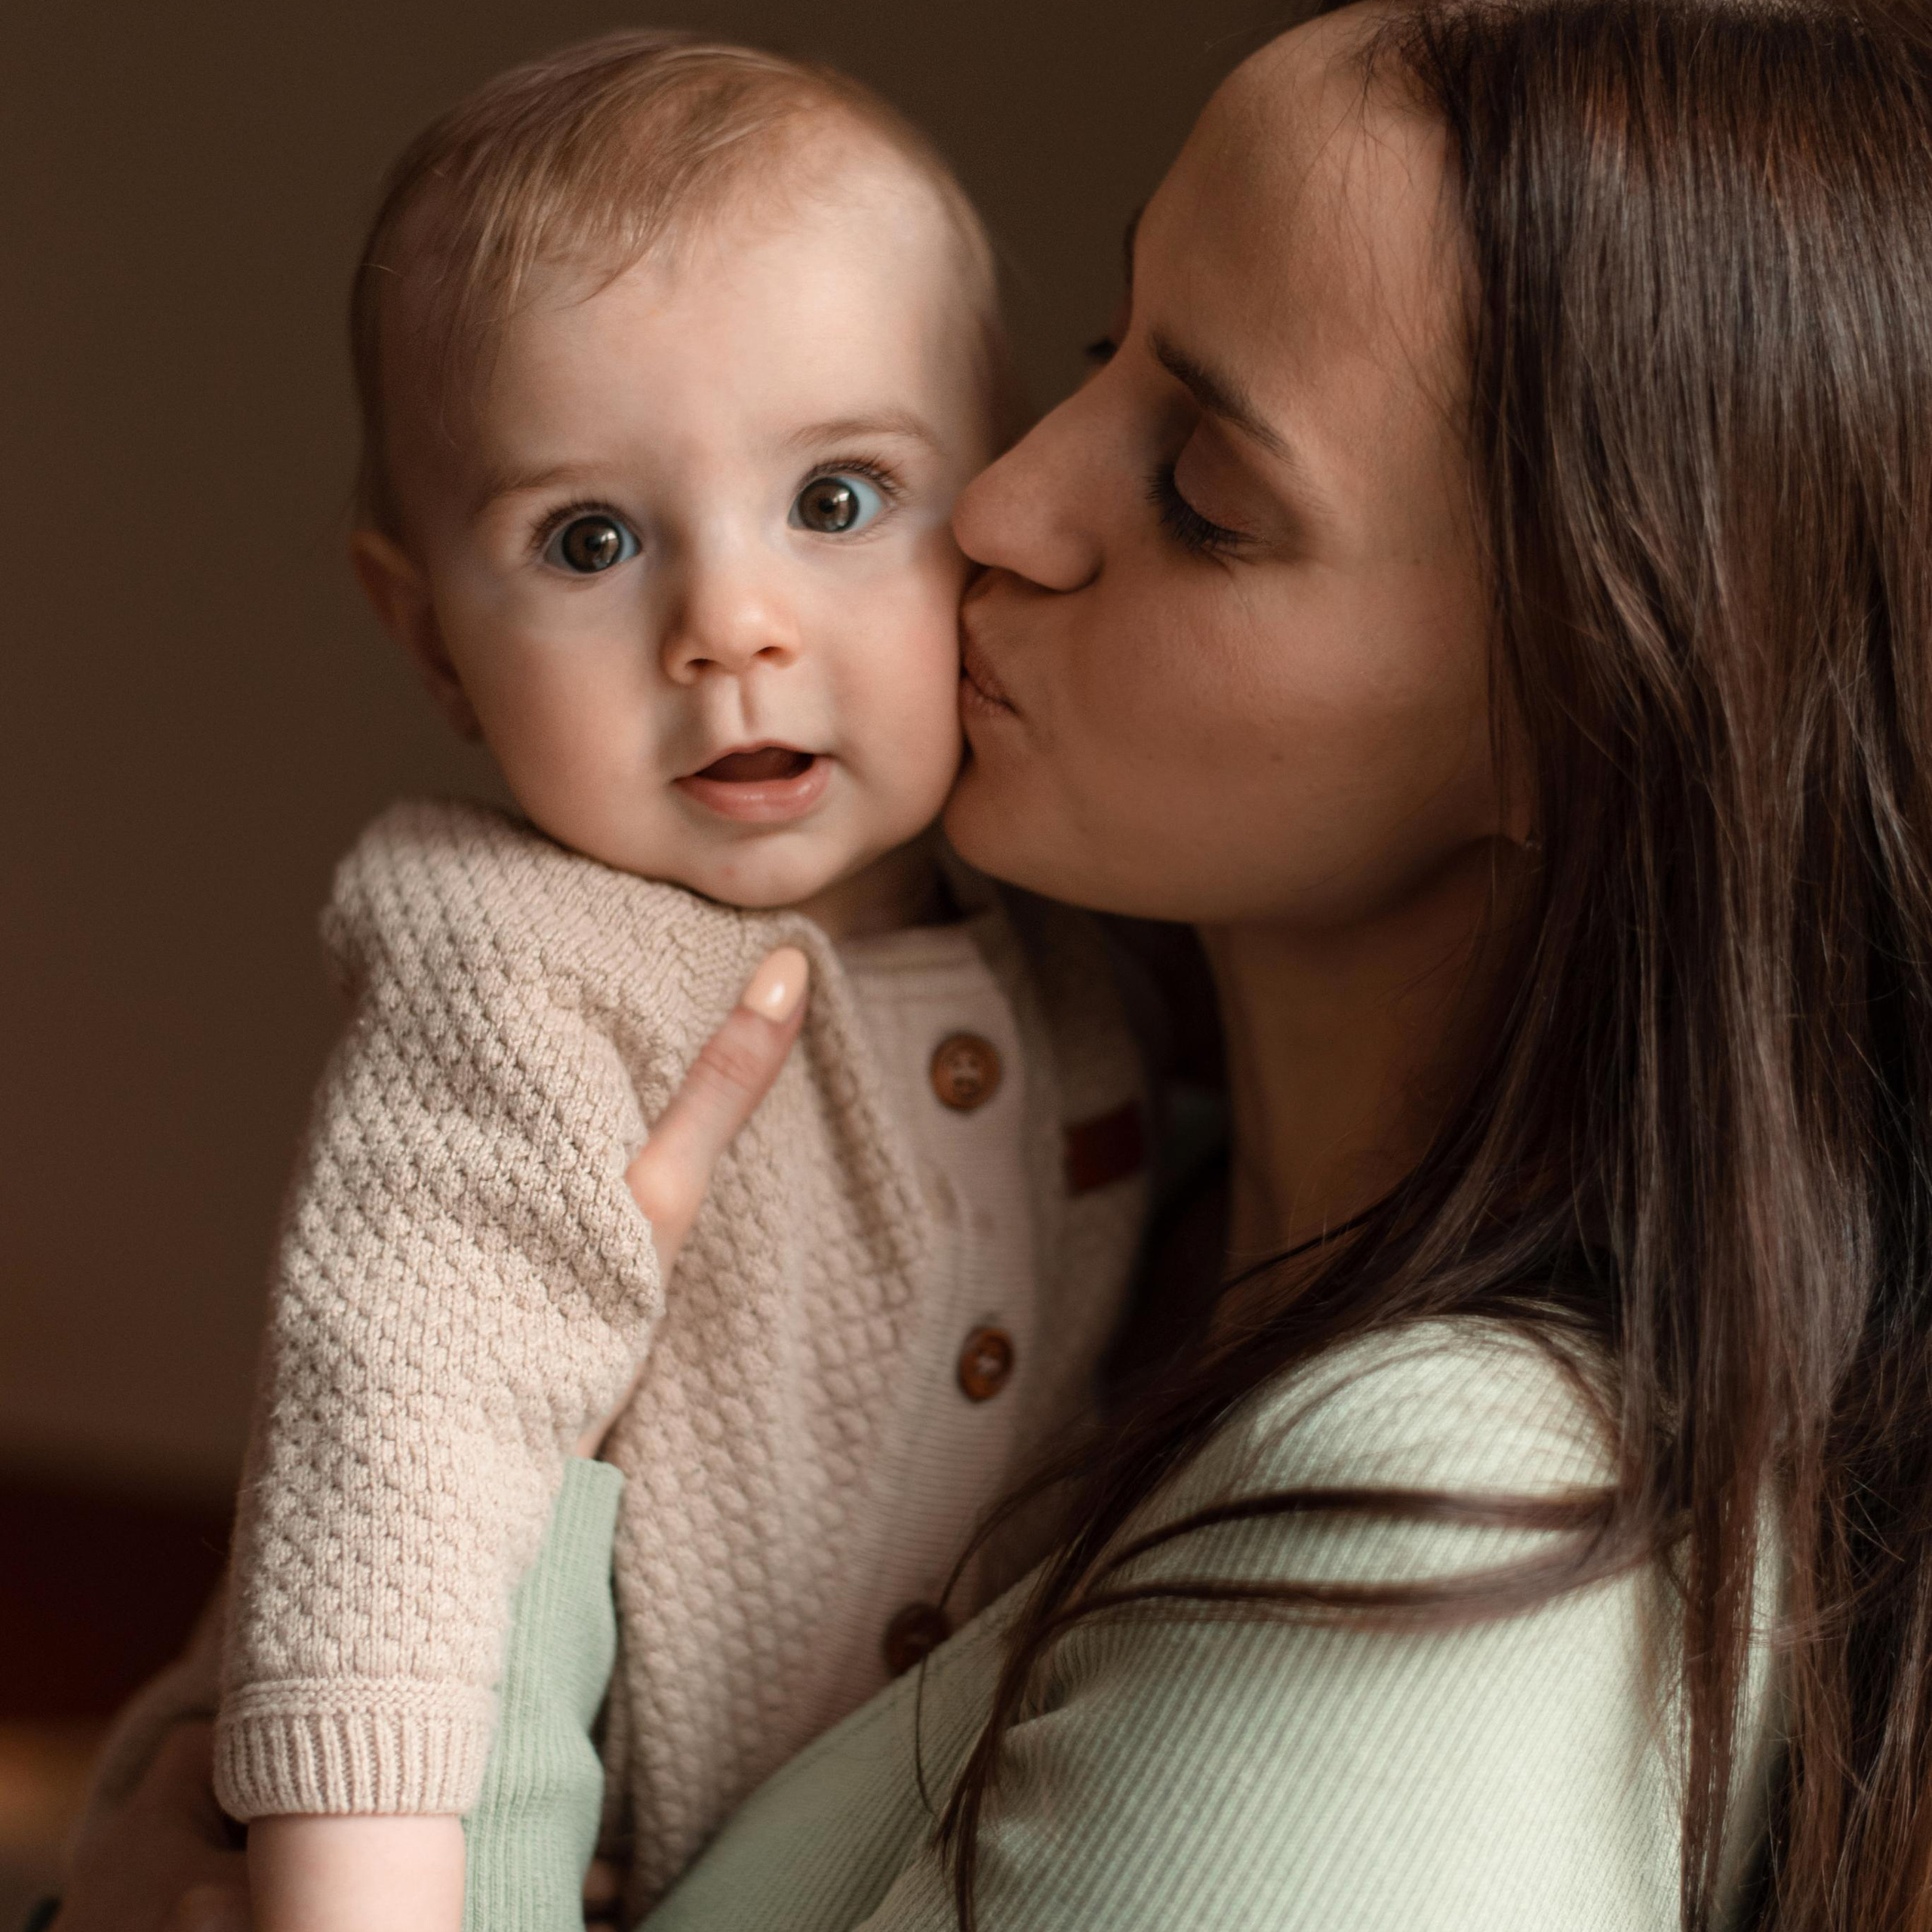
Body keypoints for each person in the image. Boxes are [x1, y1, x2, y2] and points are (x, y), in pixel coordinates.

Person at [55, 0, 1932, 1923]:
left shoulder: (1454, 1528)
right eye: (1106, 350)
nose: (1010, 499)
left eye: (1202, 484)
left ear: (1581, 715)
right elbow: (373, 1479)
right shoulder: (1093, 1098)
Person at [59, 32, 1155, 1932]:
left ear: (991, 511)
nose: (726, 624)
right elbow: (401, 1451)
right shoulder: (519, 972)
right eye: (590, 538)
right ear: (429, 641)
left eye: (835, 499)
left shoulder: (1067, 925)